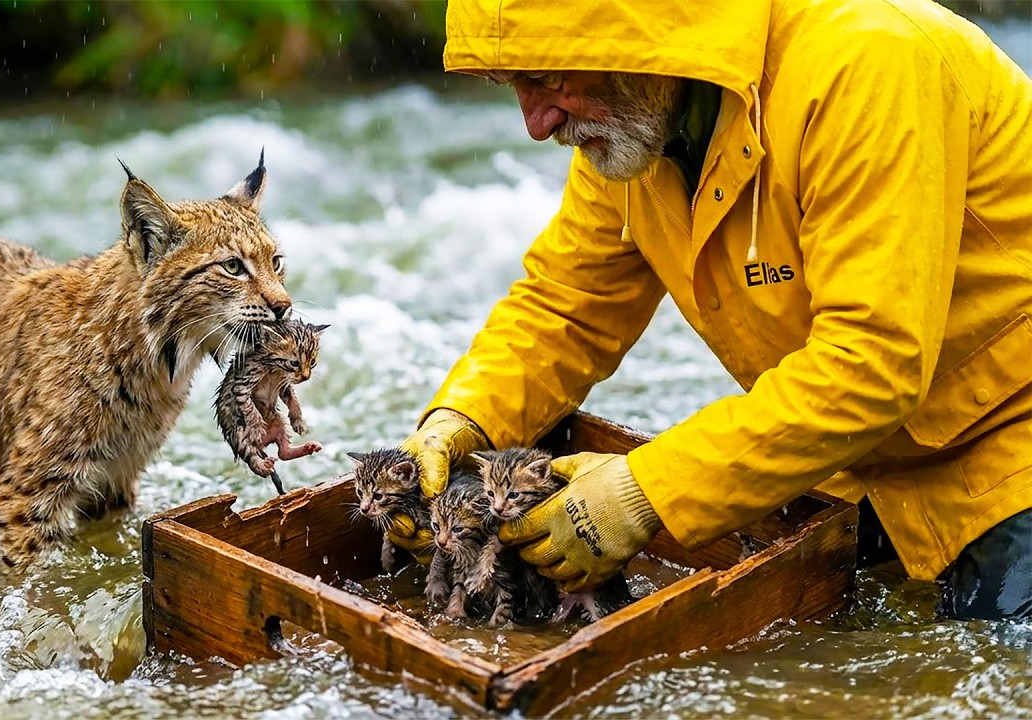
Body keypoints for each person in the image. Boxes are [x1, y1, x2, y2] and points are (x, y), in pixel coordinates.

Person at [390, 0, 1032, 620]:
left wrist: (644, 493)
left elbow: (873, 362)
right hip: (851, 463)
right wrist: (459, 419)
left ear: (636, 36)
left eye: (547, 77)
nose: (535, 123)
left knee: (998, 669)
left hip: (1010, 444)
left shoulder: (866, 61)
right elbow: (565, 307)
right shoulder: (633, 122)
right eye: (514, 85)